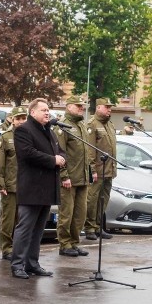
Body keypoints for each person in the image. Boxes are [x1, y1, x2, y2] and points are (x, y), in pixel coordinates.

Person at [10, 98, 64, 279]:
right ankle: (17, 264)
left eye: (48, 110)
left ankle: (32, 263)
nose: (47, 113)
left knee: (39, 230)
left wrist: (62, 158)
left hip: (47, 188)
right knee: (25, 228)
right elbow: (27, 154)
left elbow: (59, 150)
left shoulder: (49, 131)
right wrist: (53, 160)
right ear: (33, 112)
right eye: (43, 110)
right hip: (32, 188)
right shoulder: (23, 130)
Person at [53, 95, 91, 257]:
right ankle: (65, 243)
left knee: (80, 213)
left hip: (82, 176)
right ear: (68, 107)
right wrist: (64, 176)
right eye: (78, 106)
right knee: (66, 214)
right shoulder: (62, 126)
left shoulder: (81, 125)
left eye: (82, 106)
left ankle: (75, 242)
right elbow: (59, 153)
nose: (81, 108)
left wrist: (90, 172)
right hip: (69, 177)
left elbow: (86, 152)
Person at [0, 106, 27, 261]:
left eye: (23, 118)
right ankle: (7, 248)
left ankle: (20, 248)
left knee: (23, 220)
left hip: (26, 185)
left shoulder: (30, 136)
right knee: (8, 219)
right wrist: (0, 184)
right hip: (10, 185)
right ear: (12, 120)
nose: (21, 121)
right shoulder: (6, 137)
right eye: (18, 118)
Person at [84, 98, 116, 240]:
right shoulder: (92, 125)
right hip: (98, 169)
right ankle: (90, 228)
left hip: (109, 170)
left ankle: (98, 226)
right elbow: (90, 149)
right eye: (106, 107)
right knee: (92, 199)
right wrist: (92, 170)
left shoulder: (109, 125)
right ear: (98, 108)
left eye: (110, 107)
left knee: (103, 200)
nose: (109, 109)